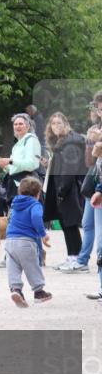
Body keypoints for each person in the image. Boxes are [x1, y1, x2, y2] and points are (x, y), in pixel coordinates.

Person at [42, 112, 86, 271]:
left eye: (59, 123)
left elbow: (70, 169)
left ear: (66, 124)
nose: (56, 127)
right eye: (53, 124)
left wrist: (62, 190)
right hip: (63, 188)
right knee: (65, 224)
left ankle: (78, 259)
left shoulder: (70, 143)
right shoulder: (61, 142)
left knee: (71, 224)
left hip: (69, 189)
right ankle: (71, 256)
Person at [4, 176, 52, 307]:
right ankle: (39, 291)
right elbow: (36, 217)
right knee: (32, 265)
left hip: (10, 240)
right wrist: (43, 234)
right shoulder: (35, 204)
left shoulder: (15, 203)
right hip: (25, 241)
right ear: (38, 194)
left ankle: (16, 290)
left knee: (13, 267)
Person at [77, 93, 102, 280]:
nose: (100, 111)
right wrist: (91, 143)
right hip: (95, 183)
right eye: (98, 107)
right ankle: (82, 260)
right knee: (87, 224)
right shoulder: (94, 129)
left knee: (100, 239)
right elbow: (89, 162)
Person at [0, 113, 42, 206]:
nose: (17, 126)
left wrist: (10, 161)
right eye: (15, 124)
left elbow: (31, 164)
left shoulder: (31, 140)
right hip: (15, 185)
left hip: (27, 186)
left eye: (21, 124)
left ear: (28, 126)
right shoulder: (17, 144)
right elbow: (14, 167)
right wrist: (5, 166)